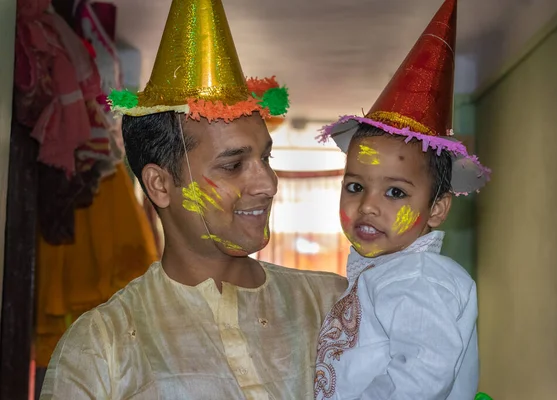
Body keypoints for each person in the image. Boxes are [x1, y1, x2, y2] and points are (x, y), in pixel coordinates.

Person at [40, 0, 347, 398]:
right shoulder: (102, 345)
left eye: (265, 157)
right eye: (233, 166)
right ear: (160, 185)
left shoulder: (332, 305)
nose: (268, 183)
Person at [313, 0, 491, 399]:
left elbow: (421, 378)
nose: (369, 205)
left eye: (395, 192)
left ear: (438, 209)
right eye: (356, 186)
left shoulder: (420, 279)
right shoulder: (383, 274)